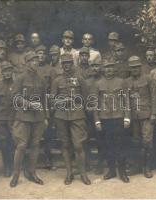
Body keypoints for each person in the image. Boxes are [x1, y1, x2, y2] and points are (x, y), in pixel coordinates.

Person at [51, 54, 91, 185]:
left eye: (68, 63)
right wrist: (62, 101)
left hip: (77, 115)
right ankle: (69, 173)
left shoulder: (79, 78)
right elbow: (52, 99)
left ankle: (83, 173)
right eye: (64, 63)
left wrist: (76, 101)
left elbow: (87, 98)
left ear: (72, 64)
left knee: (79, 145)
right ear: (61, 65)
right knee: (65, 145)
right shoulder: (57, 80)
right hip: (61, 116)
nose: (66, 65)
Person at [10, 51, 47, 187]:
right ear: (27, 63)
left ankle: (32, 173)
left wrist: (45, 117)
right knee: (21, 146)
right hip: (23, 117)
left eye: (37, 60)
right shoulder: (20, 78)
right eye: (32, 60)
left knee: (35, 145)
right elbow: (15, 97)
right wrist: (29, 104)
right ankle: (16, 175)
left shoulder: (41, 78)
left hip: (38, 118)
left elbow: (44, 100)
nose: (36, 62)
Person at [92, 61, 131, 183]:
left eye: (111, 67)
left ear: (114, 69)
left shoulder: (121, 82)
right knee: (108, 146)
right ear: (103, 69)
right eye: (106, 67)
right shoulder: (98, 84)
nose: (109, 70)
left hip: (118, 117)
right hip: (104, 119)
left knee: (121, 145)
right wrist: (97, 120)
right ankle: (111, 170)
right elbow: (95, 104)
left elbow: (126, 100)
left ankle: (122, 172)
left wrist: (127, 117)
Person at [126, 56, 156, 178]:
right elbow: (126, 100)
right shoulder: (127, 82)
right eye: (132, 68)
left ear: (140, 67)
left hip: (147, 115)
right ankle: (136, 166)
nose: (135, 69)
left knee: (147, 141)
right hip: (134, 116)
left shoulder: (148, 79)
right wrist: (127, 117)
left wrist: (154, 113)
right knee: (135, 142)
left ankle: (147, 167)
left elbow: (154, 97)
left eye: (137, 67)